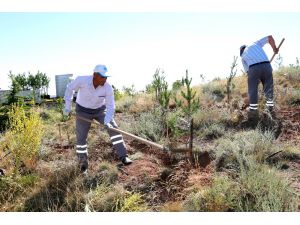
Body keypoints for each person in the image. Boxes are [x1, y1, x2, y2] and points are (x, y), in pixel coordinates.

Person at [63, 64, 132, 173]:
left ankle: (123, 156)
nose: (105, 79)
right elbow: (69, 88)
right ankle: (83, 165)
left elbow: (111, 106)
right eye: (103, 77)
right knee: (81, 138)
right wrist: (67, 107)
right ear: (95, 75)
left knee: (114, 129)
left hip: (100, 110)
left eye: (106, 77)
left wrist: (107, 121)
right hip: (82, 110)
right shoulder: (82, 80)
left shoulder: (108, 87)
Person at [240, 35, 278, 127]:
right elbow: (270, 37)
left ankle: (253, 112)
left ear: (241, 51)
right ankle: (270, 109)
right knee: (268, 88)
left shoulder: (242, 56)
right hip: (266, 65)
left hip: (253, 68)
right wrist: (274, 49)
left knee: (252, 90)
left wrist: (255, 80)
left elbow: (248, 71)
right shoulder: (255, 44)